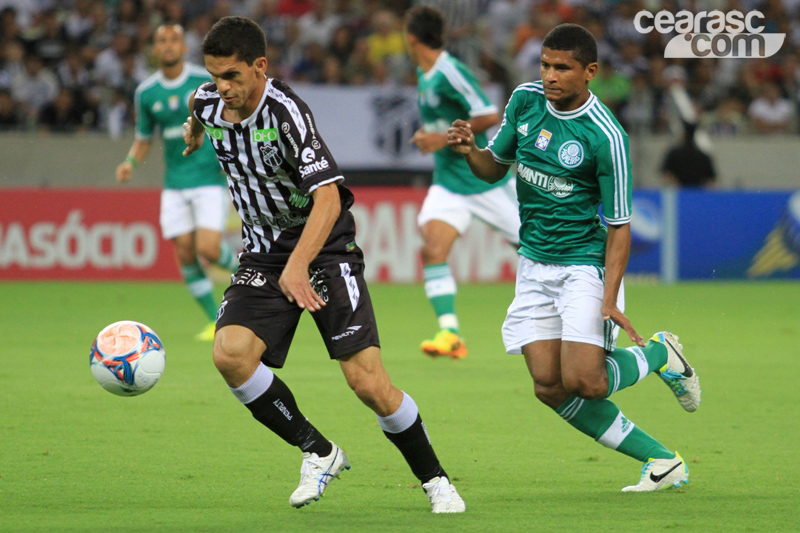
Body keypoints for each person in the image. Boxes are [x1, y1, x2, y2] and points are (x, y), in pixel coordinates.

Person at [182, 16, 465, 513]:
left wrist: (299, 264)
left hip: (324, 249)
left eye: (233, 76)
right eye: (214, 76)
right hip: (263, 254)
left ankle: (437, 480)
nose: (222, 88)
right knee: (229, 354)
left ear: (260, 66)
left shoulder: (287, 113)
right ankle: (319, 451)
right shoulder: (208, 102)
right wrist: (191, 131)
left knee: (368, 384)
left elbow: (329, 198)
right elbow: (197, 107)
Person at [446, 23, 701, 492]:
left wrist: (609, 298)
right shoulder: (524, 102)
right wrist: (470, 151)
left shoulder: (607, 137)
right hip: (534, 262)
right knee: (548, 384)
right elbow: (490, 170)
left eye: (562, 67)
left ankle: (660, 352)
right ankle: (663, 461)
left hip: (585, 263)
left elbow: (620, 226)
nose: (550, 75)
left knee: (588, 381)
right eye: (545, 65)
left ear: (590, 72)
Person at [405, 6, 520, 359]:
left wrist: (439, 140)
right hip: (448, 183)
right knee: (432, 250)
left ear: (411, 38)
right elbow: (449, 122)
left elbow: (488, 113)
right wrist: (434, 134)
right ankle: (450, 332)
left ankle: (591, 302)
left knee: (537, 247)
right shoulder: (425, 74)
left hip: (483, 181)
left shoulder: (448, 72)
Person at [116, 25, 238, 341]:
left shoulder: (204, 81)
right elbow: (144, 138)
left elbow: (231, 114)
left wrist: (231, 152)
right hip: (174, 183)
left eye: (173, 41)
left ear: (184, 47)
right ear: (154, 50)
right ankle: (215, 320)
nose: (168, 46)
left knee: (208, 248)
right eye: (161, 41)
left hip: (208, 178)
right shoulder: (146, 92)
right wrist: (129, 163)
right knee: (185, 253)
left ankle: (249, 273)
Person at [661, 123, 716, 188]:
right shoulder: (704, 156)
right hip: (697, 194)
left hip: (681, 193)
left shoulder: (674, 153)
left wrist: (675, 186)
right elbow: (711, 180)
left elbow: (665, 173)